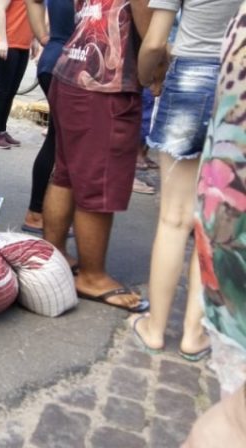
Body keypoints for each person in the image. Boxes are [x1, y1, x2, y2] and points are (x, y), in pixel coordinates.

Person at [130, 0, 241, 359]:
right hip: (235, 84)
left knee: (173, 218)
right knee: (205, 220)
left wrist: (148, 77)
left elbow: (153, 43)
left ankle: (155, 328)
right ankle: (194, 335)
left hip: (190, 77)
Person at [41, 0, 153, 311]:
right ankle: (92, 275)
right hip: (104, 84)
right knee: (99, 181)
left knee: (65, 174)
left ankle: (56, 252)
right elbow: (151, 36)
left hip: (70, 72)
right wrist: (156, 74)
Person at [183, 3, 246, 445]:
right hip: (228, 212)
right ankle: (190, 333)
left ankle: (188, 332)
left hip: (226, 205)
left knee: (234, 416)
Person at [21, 0, 76, 235]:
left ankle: (39, 212)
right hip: (69, 65)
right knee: (63, 144)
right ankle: (39, 214)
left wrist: (45, 37)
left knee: (57, 140)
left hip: (53, 60)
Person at [0, 0, 34, 150]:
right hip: (7, 45)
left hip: (22, 46)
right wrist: (3, 41)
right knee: (2, 91)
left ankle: (2, 131)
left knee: (11, 92)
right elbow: (0, 8)